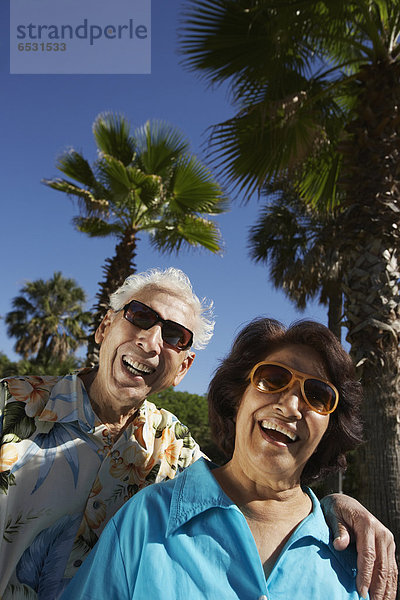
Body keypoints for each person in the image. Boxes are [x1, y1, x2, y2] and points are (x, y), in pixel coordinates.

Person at [0, 269, 396, 599]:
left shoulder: (175, 447)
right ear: (105, 326)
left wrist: (337, 506)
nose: (152, 341)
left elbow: (257, 479)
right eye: (140, 315)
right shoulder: (8, 404)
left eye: (174, 336)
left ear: (184, 368)